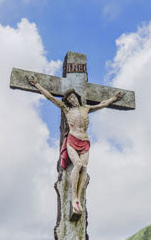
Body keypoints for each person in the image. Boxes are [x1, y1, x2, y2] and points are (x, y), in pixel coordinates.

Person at [27, 75, 124, 214]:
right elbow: (50, 98)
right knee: (77, 164)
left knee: (84, 168)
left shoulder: (86, 108)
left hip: (85, 142)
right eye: (70, 99)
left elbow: (102, 104)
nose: (72, 100)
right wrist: (37, 85)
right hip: (73, 140)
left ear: (77, 97)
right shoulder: (67, 110)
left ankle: (78, 197)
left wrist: (114, 98)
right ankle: (74, 197)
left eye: (73, 97)